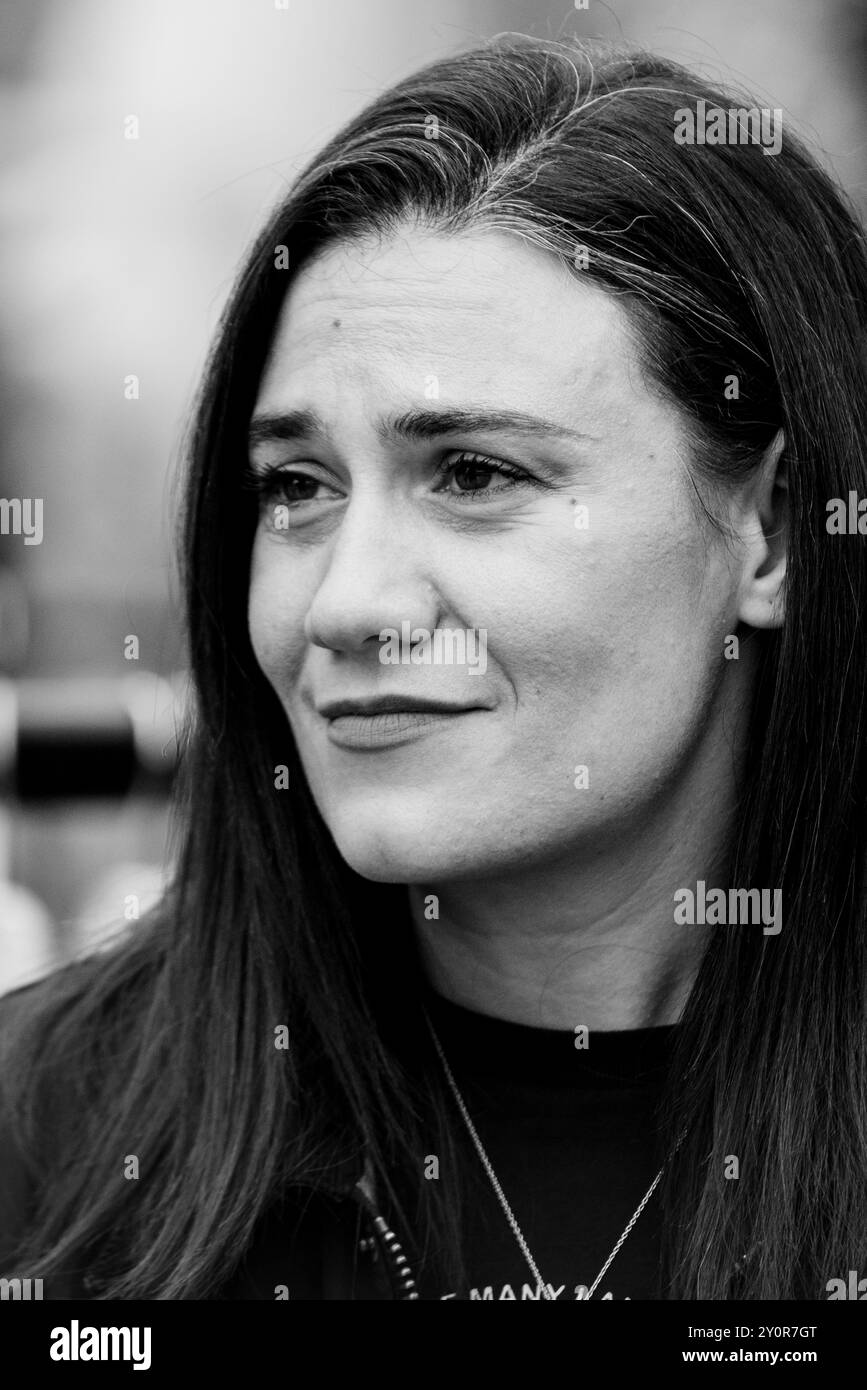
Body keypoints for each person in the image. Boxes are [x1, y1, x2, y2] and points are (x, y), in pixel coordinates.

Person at [1, 34, 865, 1302]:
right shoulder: (49, 1148)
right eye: (295, 488)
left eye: (474, 473)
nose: (345, 604)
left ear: (773, 528)